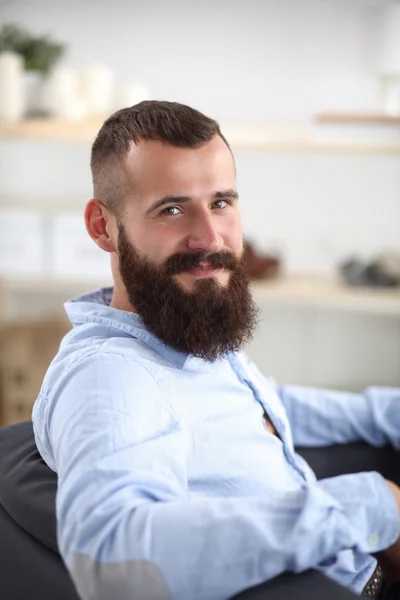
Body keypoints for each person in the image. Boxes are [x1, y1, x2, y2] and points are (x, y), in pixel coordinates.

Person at [32, 100, 400, 600]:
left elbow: (265, 406)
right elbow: (110, 559)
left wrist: (387, 413)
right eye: (172, 209)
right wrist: (370, 507)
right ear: (103, 227)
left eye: (222, 202)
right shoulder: (112, 377)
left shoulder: (174, 336)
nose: (210, 236)